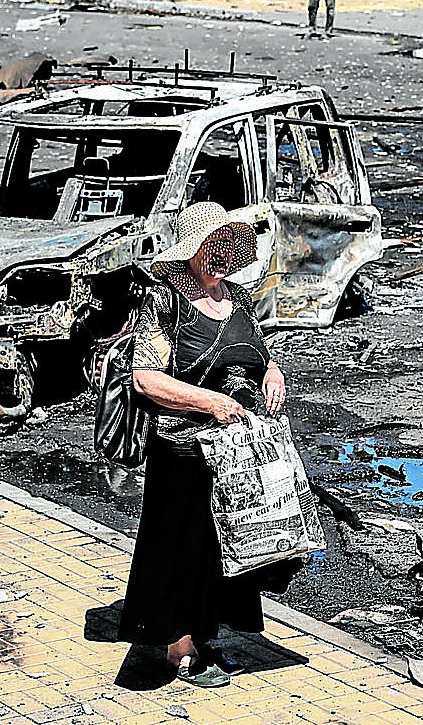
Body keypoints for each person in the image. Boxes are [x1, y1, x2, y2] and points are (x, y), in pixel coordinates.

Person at [117, 201, 294, 688]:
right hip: (181, 446)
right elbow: (146, 380)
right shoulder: (164, 302)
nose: (219, 254)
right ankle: (178, 647)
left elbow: (262, 357)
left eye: (227, 244)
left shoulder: (237, 297)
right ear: (190, 250)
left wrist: (273, 375)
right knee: (181, 547)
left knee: (225, 548)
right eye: (208, 245)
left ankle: (206, 633)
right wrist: (210, 403)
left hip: (236, 447)